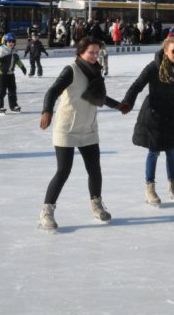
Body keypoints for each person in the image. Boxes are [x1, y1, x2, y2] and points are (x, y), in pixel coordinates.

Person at [37, 37, 126, 230]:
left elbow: (99, 97)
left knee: (94, 169)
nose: (95, 56)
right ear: (81, 52)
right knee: (63, 171)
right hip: (67, 128)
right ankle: (46, 211)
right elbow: (51, 92)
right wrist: (47, 110)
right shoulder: (72, 70)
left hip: (89, 128)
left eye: (97, 52)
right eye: (91, 52)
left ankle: (96, 205)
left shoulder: (96, 72)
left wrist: (119, 105)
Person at [119, 38, 174, 206]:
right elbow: (136, 86)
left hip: (171, 113)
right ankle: (150, 188)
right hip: (153, 113)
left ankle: (172, 186)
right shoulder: (153, 67)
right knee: (153, 152)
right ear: (166, 51)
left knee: (172, 151)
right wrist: (127, 103)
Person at [0, 33, 27, 115]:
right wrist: (1, 67)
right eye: (9, 41)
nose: (11, 43)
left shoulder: (14, 51)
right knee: (2, 91)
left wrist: (22, 67)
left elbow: (17, 61)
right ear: (5, 42)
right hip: (2, 74)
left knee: (12, 90)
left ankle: (13, 106)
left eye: (13, 41)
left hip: (10, 74)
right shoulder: (2, 51)